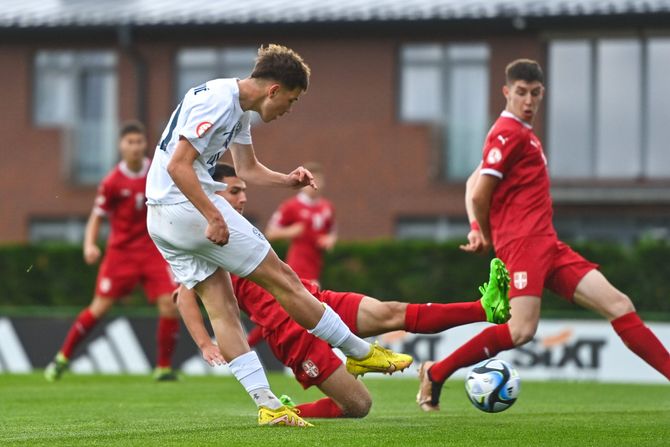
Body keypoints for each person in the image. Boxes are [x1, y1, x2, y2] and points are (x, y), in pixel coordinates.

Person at [144, 44, 411, 427]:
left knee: (222, 307)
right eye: (292, 99)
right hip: (184, 207)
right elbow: (178, 166)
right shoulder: (219, 102)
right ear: (273, 90)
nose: (289, 109)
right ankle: (357, 350)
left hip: (160, 217)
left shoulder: (236, 108)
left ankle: (267, 405)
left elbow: (247, 169)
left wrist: (287, 180)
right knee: (284, 278)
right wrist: (212, 216)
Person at [416, 58, 670, 411]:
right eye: (520, 93)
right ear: (506, 92)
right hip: (522, 245)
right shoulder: (508, 132)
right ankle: (437, 372)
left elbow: (474, 180)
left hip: (547, 244)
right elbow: (478, 192)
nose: (528, 100)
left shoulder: (522, 134)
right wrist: (488, 235)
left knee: (619, 304)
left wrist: (476, 228)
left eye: (535, 93)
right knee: (521, 330)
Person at [176, 163, 511, 418]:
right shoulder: (206, 237)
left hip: (314, 301)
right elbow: (184, 294)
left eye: (243, 190)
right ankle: (289, 411)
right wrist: (206, 343)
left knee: (390, 311)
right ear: (213, 193)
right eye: (234, 191)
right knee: (359, 405)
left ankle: (484, 308)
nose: (244, 197)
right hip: (289, 331)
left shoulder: (245, 226)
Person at [45, 121, 180, 382]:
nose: (135, 147)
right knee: (100, 308)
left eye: (139, 142)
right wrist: (89, 244)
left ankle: (163, 368)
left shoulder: (157, 171)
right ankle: (62, 358)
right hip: (121, 253)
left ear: (145, 144)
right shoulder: (112, 182)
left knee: (169, 304)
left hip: (153, 249)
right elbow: (97, 217)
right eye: (130, 142)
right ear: (121, 146)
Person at [265, 161, 336, 286]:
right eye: (311, 181)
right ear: (303, 183)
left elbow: (332, 232)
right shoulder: (291, 206)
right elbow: (270, 233)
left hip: (317, 265)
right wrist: (290, 231)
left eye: (318, 180)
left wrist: (329, 239)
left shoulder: (327, 207)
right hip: (298, 265)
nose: (314, 185)